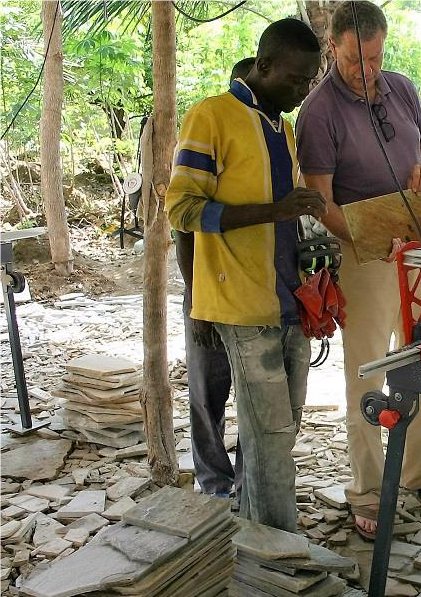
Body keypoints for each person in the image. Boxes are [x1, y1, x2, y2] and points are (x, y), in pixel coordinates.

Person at [295, 0, 421, 541]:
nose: (365, 71)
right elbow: (320, 204)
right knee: (367, 372)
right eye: (353, 61)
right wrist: (370, 239)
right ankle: (366, 489)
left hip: (411, 242)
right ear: (334, 48)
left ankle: (417, 472)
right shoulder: (318, 112)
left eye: (373, 58)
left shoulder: (401, 87)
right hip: (362, 251)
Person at [166, 19, 326, 532]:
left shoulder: (283, 127)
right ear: (264, 65)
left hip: (288, 301)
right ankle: (278, 545)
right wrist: (272, 211)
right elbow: (183, 210)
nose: (301, 93)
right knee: (270, 432)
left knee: (280, 430)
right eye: (295, 80)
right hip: (238, 303)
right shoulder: (211, 116)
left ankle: (253, 529)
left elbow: (285, 217)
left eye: (309, 83)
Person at [173, 56, 257, 500]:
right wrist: (195, 301)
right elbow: (184, 229)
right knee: (207, 396)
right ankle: (214, 484)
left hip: (248, 298)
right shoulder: (208, 129)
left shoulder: (270, 141)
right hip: (207, 295)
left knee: (253, 402)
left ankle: (246, 485)